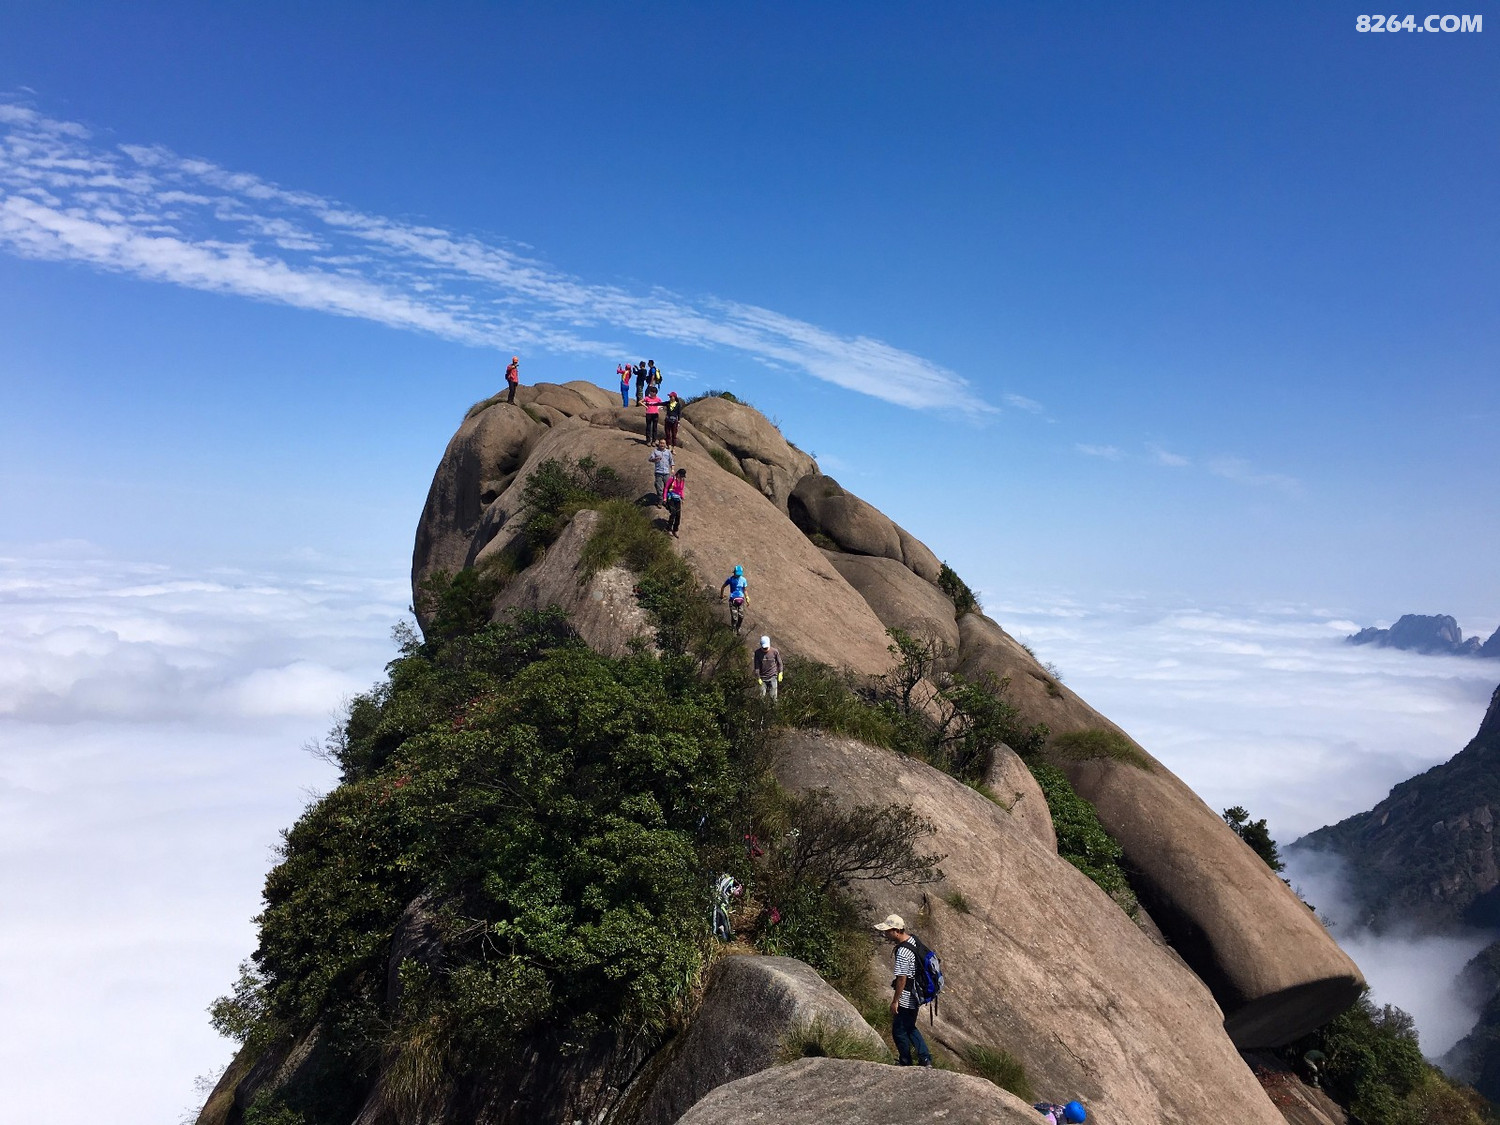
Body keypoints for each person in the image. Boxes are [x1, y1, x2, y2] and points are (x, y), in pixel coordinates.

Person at [873, 914, 933, 1067]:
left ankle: (905, 1061)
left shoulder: (903, 952)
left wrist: (895, 1001)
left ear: (896, 931)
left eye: (888, 931)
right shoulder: (913, 940)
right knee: (910, 1026)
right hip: (916, 994)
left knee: (898, 1030)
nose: (885, 934)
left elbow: (902, 979)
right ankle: (925, 1058)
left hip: (906, 996)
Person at [720, 565, 748, 632]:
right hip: (732, 600)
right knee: (734, 617)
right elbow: (723, 587)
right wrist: (721, 595)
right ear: (734, 572)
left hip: (741, 600)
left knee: (741, 616)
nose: (737, 576)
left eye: (739, 575)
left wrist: (747, 597)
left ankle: (738, 627)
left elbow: (744, 589)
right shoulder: (730, 579)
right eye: (736, 574)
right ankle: (733, 629)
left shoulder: (743, 580)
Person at [754, 635, 783, 700]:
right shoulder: (757, 653)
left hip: (773, 677)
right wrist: (758, 678)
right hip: (762, 679)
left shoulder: (774, 652)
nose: (765, 649)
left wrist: (780, 672)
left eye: (766, 647)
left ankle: (774, 709)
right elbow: (756, 667)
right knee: (761, 698)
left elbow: (780, 663)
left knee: (774, 698)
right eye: (763, 648)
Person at [663, 468, 686, 536]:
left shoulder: (682, 481)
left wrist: (682, 497)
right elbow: (666, 488)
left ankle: (675, 529)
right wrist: (664, 498)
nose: (682, 477)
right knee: (673, 513)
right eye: (681, 476)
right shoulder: (672, 479)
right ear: (678, 474)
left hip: (677, 498)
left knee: (678, 514)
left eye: (683, 476)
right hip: (671, 497)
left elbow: (681, 490)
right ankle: (669, 528)